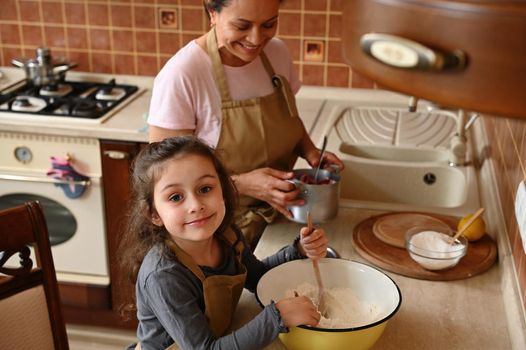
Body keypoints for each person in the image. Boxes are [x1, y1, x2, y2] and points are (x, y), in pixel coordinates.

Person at [147, 0, 344, 248]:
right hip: (215, 234)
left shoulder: (277, 53)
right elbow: (163, 178)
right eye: (242, 25)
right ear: (212, 12)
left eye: (269, 24)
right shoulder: (183, 74)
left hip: (282, 220)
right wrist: (243, 184)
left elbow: (288, 117)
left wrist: (311, 152)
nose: (256, 38)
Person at [120, 136, 329, 350]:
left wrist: (298, 250)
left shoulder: (227, 236)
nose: (196, 205)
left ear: (223, 190)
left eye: (205, 189)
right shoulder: (163, 276)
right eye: (175, 197)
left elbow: (257, 275)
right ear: (154, 214)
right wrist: (276, 317)